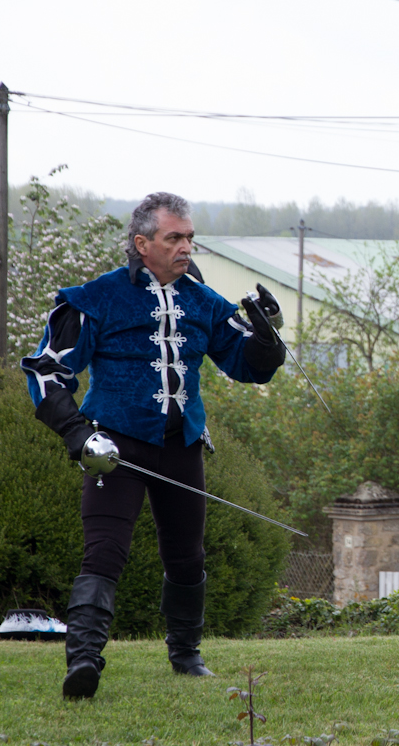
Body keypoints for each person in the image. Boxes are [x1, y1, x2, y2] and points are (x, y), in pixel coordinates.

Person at [22, 192, 286, 700]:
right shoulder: (95, 298)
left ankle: (186, 655)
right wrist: (77, 434)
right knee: (104, 553)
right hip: (114, 447)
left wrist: (266, 336)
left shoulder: (205, 302)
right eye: (174, 238)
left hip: (181, 447)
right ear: (142, 243)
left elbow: (247, 367)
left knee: (186, 556)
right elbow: (47, 371)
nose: (186, 247)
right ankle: (83, 661)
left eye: (189, 237)